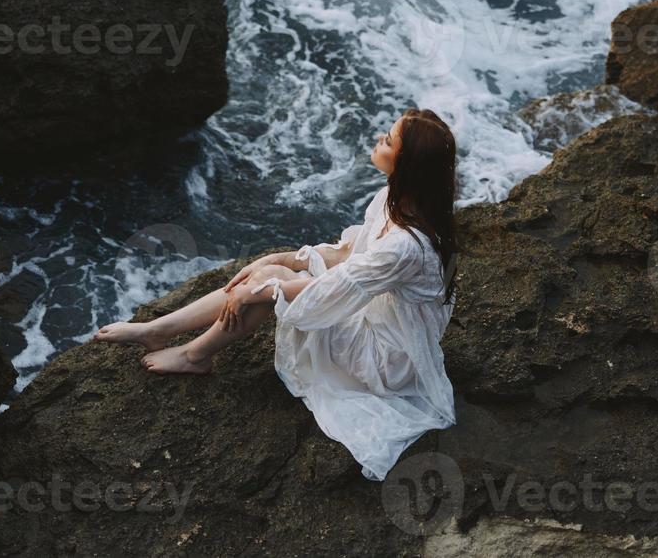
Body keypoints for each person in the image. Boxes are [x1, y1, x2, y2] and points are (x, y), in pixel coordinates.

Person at [93, 108, 459, 481]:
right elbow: (348, 255)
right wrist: (278, 258)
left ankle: (193, 354)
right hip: (378, 321)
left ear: (407, 163)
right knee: (270, 274)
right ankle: (159, 331)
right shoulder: (396, 201)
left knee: (268, 284)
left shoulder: (405, 245)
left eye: (389, 140)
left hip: (388, 358)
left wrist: (261, 291)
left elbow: (334, 285)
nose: (378, 139)